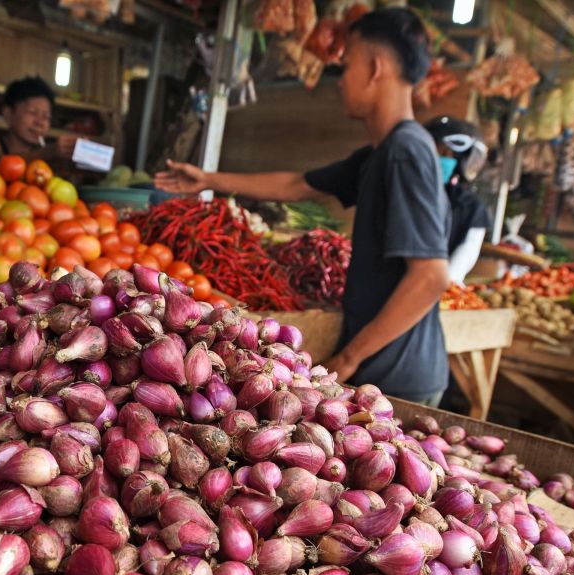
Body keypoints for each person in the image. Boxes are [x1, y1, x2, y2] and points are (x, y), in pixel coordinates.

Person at [155, 8, 451, 405]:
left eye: (345, 67)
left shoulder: (405, 151)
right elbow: (298, 184)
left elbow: (431, 276)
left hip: (398, 377)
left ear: (375, 68)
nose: (340, 81)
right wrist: (208, 180)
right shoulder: (380, 154)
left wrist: (348, 358)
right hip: (388, 369)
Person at [425, 116, 491, 284]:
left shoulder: (471, 207)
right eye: (441, 151)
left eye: (449, 154)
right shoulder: (405, 189)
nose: (444, 157)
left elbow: (458, 267)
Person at [0, 76, 78, 167]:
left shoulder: (47, 155)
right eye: (33, 113)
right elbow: (0, 163)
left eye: (46, 117)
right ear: (8, 114)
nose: (40, 123)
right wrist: (48, 152)